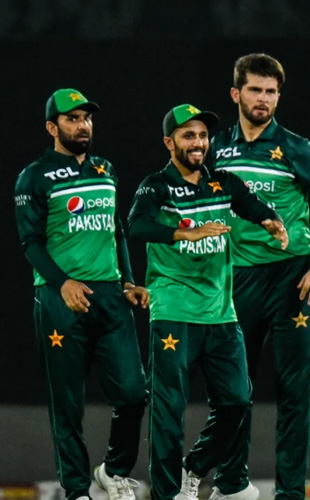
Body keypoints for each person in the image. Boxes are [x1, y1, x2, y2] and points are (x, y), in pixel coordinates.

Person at [127, 103, 288, 500]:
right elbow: (137, 224)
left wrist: (271, 220)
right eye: (189, 136)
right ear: (170, 143)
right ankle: (167, 495)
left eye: (202, 135)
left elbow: (251, 205)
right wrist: (186, 234)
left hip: (220, 315)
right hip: (174, 311)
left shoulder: (223, 182)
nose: (198, 142)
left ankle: (195, 467)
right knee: (168, 413)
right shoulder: (156, 186)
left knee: (237, 402)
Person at [207, 53, 310, 500]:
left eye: (271, 92)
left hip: (292, 282)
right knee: (233, 392)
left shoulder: (298, 149)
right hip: (234, 282)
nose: (263, 99)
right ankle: (232, 486)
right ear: (236, 94)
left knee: (293, 396)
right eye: (255, 90)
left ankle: (290, 494)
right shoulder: (212, 149)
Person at [14, 88, 148, 500]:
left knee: (133, 393)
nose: (83, 125)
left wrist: (128, 281)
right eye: (72, 119)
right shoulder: (34, 176)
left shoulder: (105, 169)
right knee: (68, 405)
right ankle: (76, 491)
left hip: (110, 297)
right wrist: (63, 283)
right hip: (60, 300)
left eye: (87, 118)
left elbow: (116, 230)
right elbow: (31, 243)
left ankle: (113, 470)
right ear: (52, 127)